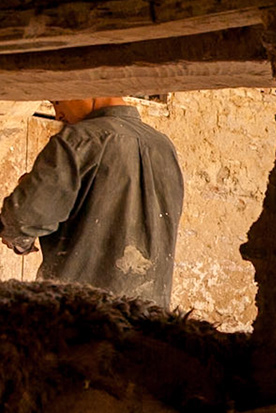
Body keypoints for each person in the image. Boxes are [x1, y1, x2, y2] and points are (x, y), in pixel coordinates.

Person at [1, 96, 185, 307]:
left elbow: (22, 220)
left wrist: (19, 234)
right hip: (151, 316)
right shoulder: (164, 146)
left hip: (83, 315)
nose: (58, 114)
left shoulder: (80, 138)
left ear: (85, 90)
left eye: (58, 102)